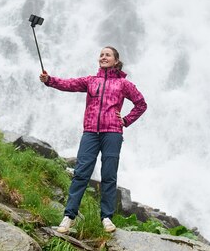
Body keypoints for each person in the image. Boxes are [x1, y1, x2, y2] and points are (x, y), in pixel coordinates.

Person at [39, 46, 147, 234]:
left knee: (109, 175)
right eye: (101, 55)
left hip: (112, 133)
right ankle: (68, 217)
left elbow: (141, 104)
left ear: (115, 60)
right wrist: (49, 80)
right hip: (90, 132)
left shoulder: (123, 84)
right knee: (81, 173)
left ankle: (106, 217)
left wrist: (126, 120)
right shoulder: (90, 81)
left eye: (108, 55)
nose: (103, 57)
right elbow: (68, 84)